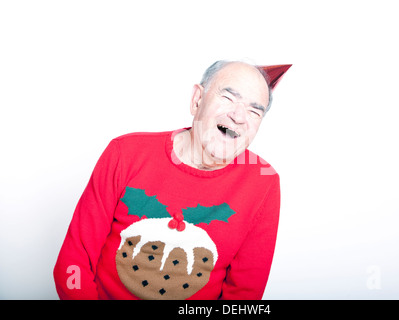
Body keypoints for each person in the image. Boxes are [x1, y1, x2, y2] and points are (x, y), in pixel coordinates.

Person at [53, 60, 291, 300]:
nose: (239, 116)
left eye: (254, 110)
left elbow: (244, 293)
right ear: (197, 99)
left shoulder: (264, 181)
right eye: (228, 98)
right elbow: (75, 260)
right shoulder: (124, 153)